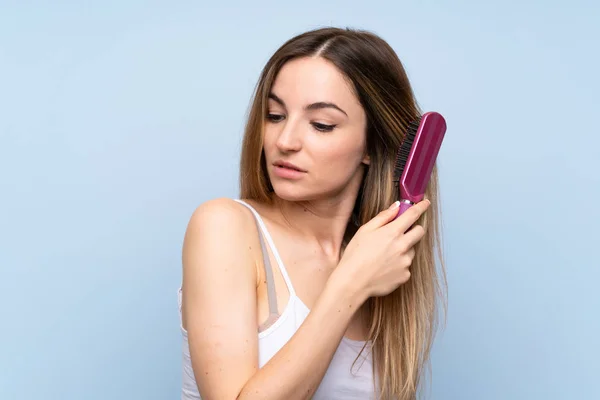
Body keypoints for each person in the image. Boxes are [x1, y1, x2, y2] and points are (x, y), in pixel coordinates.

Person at [178, 26, 446, 400]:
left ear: (372, 144)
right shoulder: (225, 227)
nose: (284, 141)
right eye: (274, 115)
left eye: (321, 124)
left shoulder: (381, 261)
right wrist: (349, 285)